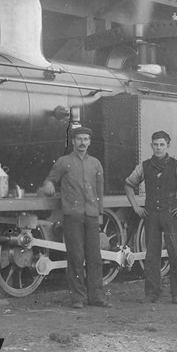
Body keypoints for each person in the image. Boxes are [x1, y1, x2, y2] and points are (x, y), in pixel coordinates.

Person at [124, 130, 177, 304]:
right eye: (155, 144)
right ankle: (152, 293)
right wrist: (136, 207)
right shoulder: (143, 166)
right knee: (151, 255)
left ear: (168, 146)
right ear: (151, 145)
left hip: (171, 215)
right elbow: (128, 184)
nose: (158, 148)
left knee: (174, 253)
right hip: (151, 216)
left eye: (162, 144)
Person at [42, 126, 112, 309]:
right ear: (73, 141)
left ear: (89, 142)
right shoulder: (63, 162)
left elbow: (99, 192)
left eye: (86, 139)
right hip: (73, 215)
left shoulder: (96, 164)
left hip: (91, 215)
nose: (82, 143)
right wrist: (49, 185)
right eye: (79, 139)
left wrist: (100, 214)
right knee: (75, 256)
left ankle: (96, 297)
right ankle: (78, 298)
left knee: (95, 257)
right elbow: (50, 179)